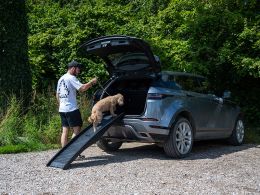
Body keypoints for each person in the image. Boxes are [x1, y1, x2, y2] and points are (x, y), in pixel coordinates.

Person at [56, 60, 97, 148]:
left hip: (62, 109)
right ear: (73, 68)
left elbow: (57, 94)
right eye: (78, 69)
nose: (79, 71)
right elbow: (82, 88)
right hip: (71, 109)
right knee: (77, 129)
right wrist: (92, 82)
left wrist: (61, 105)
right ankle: (71, 152)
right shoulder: (71, 78)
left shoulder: (61, 78)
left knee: (65, 130)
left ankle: (63, 152)